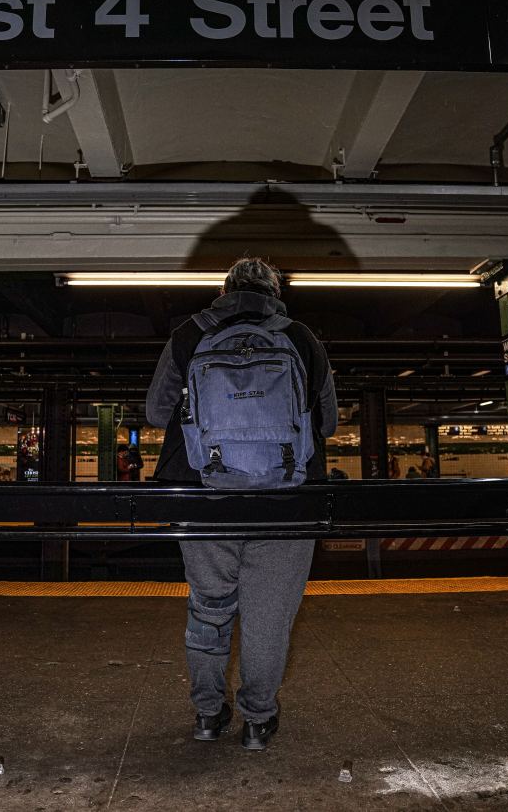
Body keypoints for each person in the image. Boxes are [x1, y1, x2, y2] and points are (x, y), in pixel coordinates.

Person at [147, 257, 337, 751]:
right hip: (287, 499)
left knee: (209, 609)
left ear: (223, 289)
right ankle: (257, 719)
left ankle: (208, 714)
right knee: (268, 618)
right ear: (276, 291)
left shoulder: (190, 333)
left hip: (205, 495)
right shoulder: (301, 337)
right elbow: (329, 423)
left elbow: (154, 411)